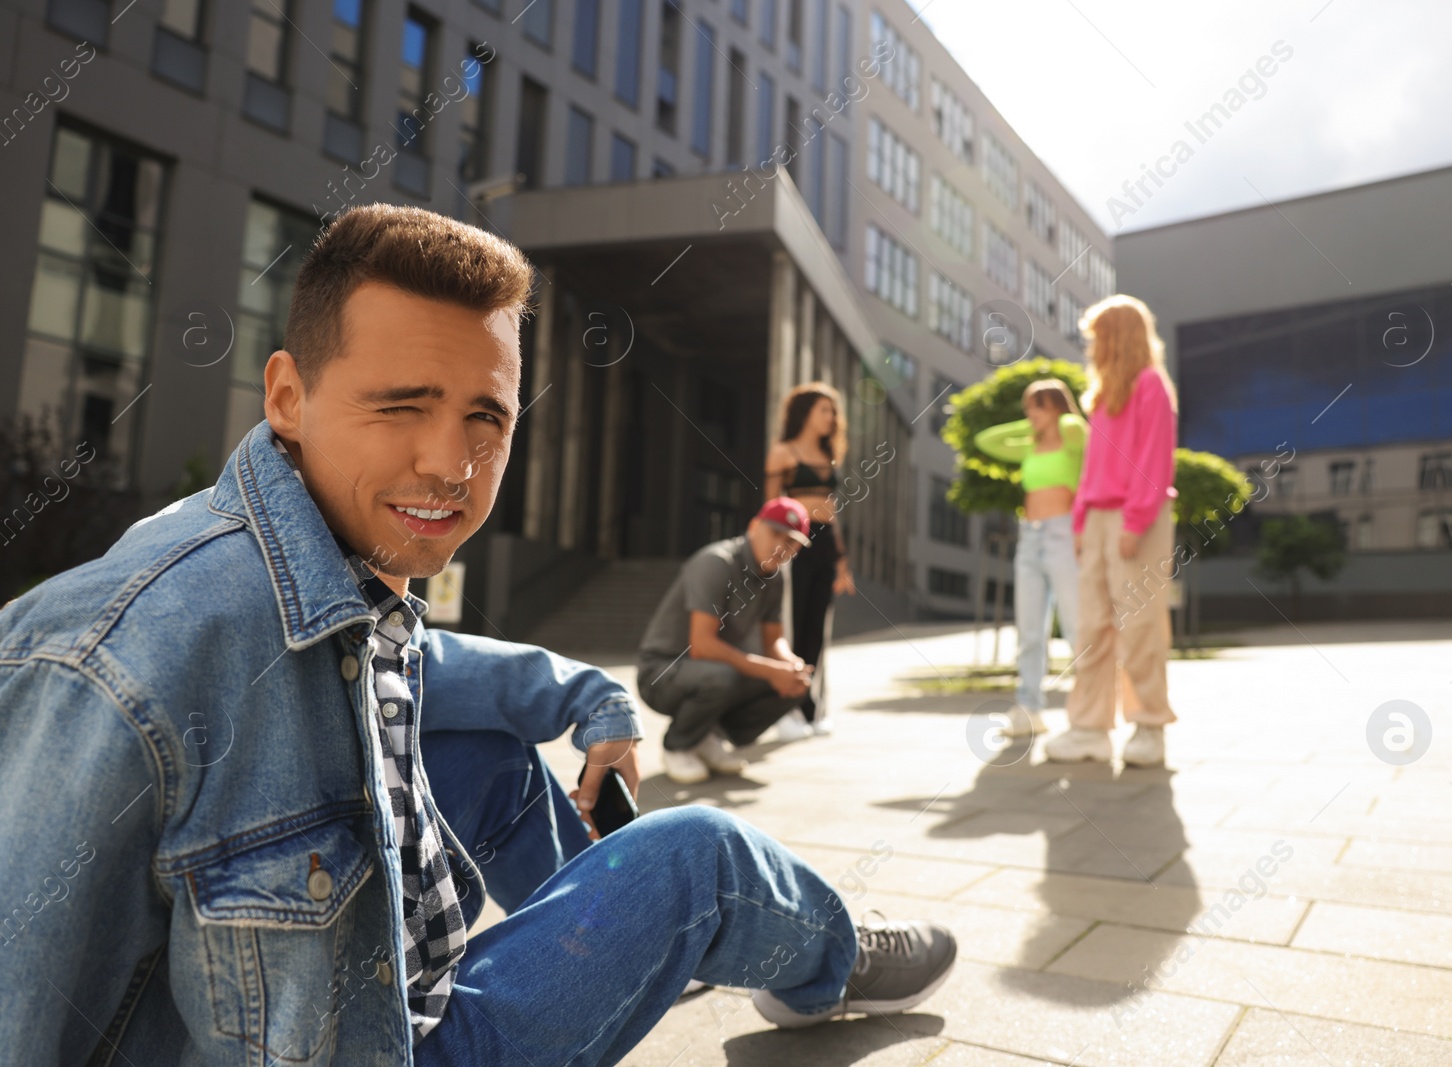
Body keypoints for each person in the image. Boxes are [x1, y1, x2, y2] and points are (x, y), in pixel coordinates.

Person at [0, 204, 957, 1066]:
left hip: (377, 993)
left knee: (487, 756)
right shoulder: (107, 664)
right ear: (287, 394)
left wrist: (595, 699)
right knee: (699, 853)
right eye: (401, 404)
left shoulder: (309, 567)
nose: (451, 463)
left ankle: (625, 935)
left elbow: (426, 660)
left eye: (485, 418)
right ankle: (823, 958)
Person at [1045, 295, 1179, 768]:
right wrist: (1081, 523)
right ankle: (1089, 728)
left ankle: (1149, 728)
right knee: (1091, 628)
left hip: (1134, 517)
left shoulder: (1151, 386)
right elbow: (1092, 470)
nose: (1091, 346)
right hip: (1098, 519)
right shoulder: (1101, 398)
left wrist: (1136, 520)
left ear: (1118, 335)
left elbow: (1154, 458)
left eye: (1097, 336)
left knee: (1139, 624)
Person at [635, 497, 819, 783]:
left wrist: (792, 667)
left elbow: (774, 642)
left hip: (713, 670)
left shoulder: (775, 577)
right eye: (776, 534)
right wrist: (771, 670)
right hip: (661, 671)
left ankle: (709, 735)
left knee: (799, 686)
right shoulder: (716, 563)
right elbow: (702, 646)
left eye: (792, 542)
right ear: (754, 526)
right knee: (722, 677)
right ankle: (678, 746)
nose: (782, 547)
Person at [972, 378, 1088, 740]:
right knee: (1029, 630)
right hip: (1029, 537)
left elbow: (1077, 426)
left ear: (1055, 406)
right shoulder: (1029, 447)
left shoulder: (1071, 439)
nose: (1030, 415)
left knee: (1075, 626)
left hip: (1064, 534)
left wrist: (1060, 417)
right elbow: (985, 440)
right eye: (1027, 409)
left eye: (1037, 407)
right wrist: (1032, 424)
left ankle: (1089, 708)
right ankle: (1029, 709)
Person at [763, 382, 856, 740]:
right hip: (793, 547)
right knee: (792, 627)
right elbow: (771, 510)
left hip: (826, 548)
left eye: (834, 412)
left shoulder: (830, 454)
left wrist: (843, 562)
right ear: (804, 412)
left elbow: (832, 513)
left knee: (818, 631)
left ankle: (810, 708)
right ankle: (783, 710)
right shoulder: (782, 453)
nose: (832, 418)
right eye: (825, 410)